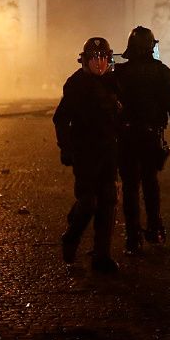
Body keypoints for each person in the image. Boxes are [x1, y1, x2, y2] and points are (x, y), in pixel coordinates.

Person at [112, 26, 170, 255]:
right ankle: (154, 228)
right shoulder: (162, 73)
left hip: (125, 138)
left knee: (129, 187)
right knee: (150, 183)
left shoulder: (119, 74)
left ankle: (132, 236)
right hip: (150, 137)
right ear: (151, 47)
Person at [53, 37, 123, 273]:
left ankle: (101, 256)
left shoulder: (114, 82)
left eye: (103, 58)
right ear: (85, 60)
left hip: (108, 152)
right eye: (94, 58)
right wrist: (66, 147)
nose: (99, 63)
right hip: (84, 153)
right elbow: (61, 118)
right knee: (88, 202)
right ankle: (71, 236)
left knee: (108, 202)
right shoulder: (76, 84)